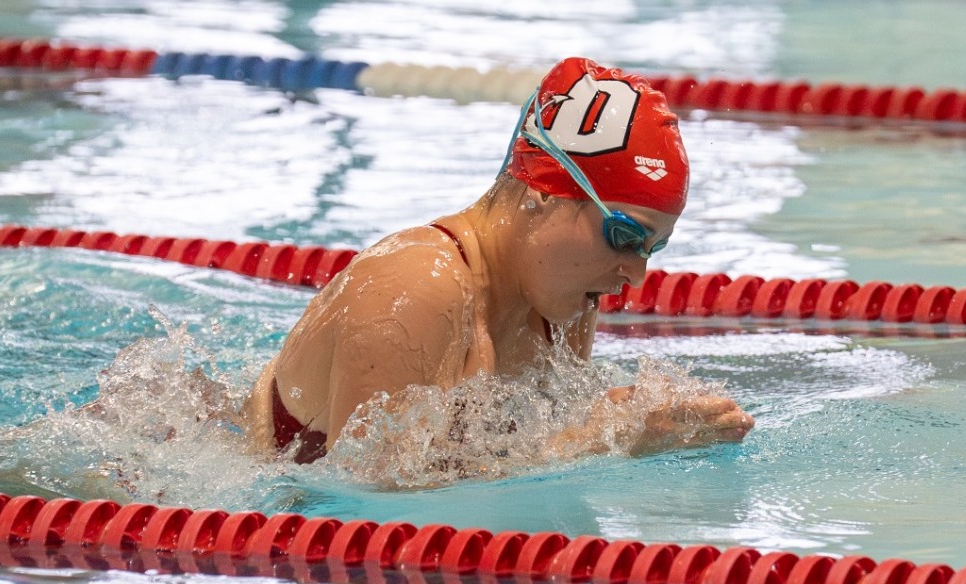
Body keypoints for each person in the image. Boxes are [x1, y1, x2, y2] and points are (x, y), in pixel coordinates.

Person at [246, 56, 755, 468]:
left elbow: (501, 465)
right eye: (624, 236)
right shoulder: (415, 287)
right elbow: (368, 492)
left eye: (651, 249)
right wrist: (600, 441)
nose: (636, 275)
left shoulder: (563, 306)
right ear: (545, 191)